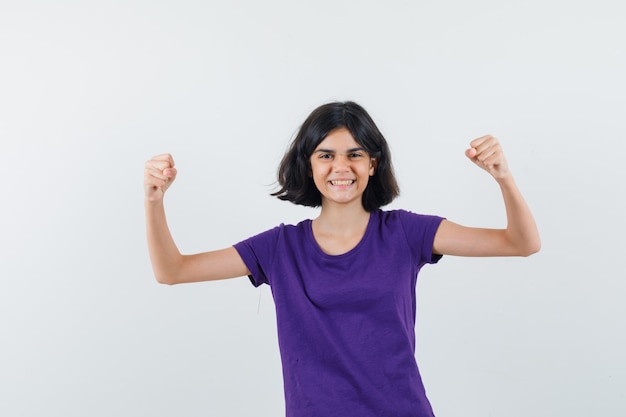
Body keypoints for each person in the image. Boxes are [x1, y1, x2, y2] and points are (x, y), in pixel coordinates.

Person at [143, 101, 540, 417]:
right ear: (309, 164)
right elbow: (172, 271)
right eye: (325, 155)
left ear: (373, 163)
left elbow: (521, 243)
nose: (340, 167)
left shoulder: (406, 233)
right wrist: (154, 200)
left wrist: (503, 175)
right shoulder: (280, 248)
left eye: (355, 154)